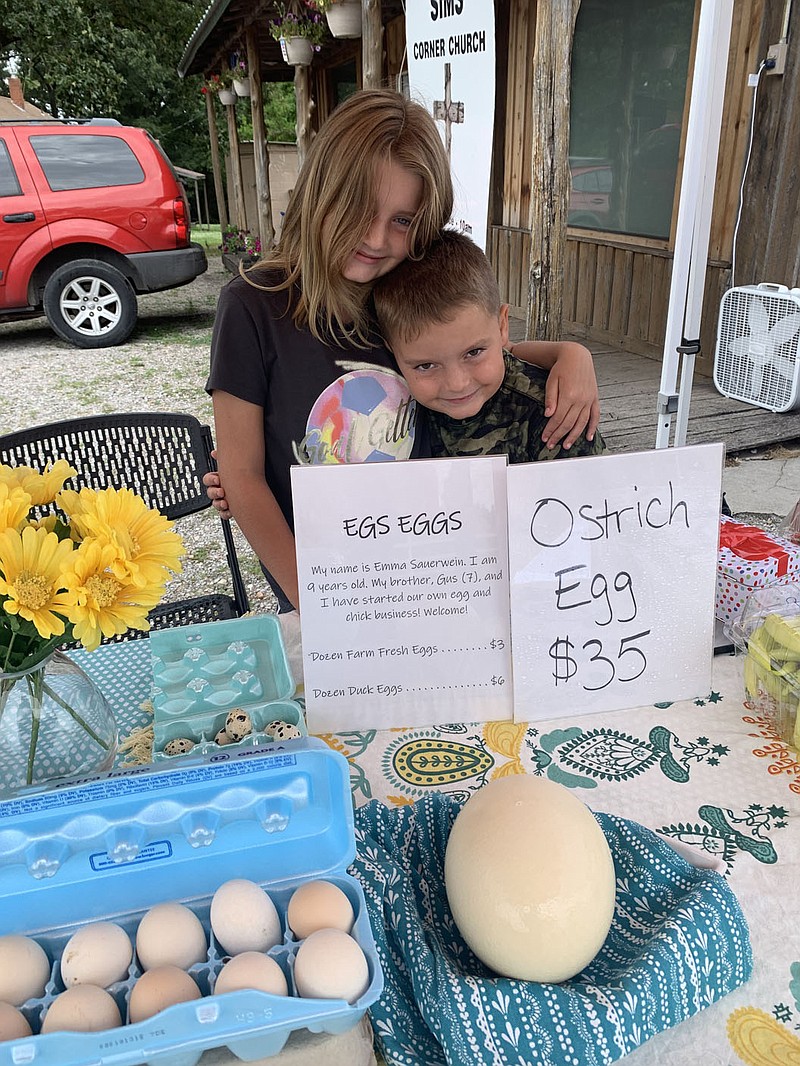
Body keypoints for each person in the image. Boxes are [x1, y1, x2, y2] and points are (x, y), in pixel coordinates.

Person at [206, 89, 600, 614]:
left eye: (403, 220)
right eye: (360, 208)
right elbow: (241, 475)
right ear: (322, 190)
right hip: (323, 588)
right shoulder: (251, 307)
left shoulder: (396, 289)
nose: (374, 238)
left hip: (428, 582)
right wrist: (315, 601)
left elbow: (467, 356)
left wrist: (568, 355)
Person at [372, 228, 606, 463]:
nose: (457, 384)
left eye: (474, 352)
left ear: (502, 325)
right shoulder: (383, 407)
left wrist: (573, 353)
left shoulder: (553, 416)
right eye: (425, 366)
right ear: (391, 349)